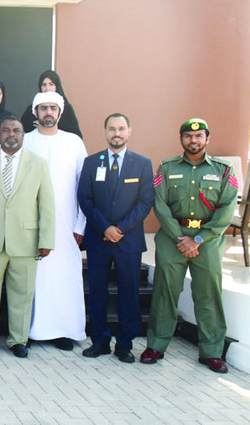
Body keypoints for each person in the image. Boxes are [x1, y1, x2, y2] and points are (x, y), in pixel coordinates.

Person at [141, 118, 238, 374]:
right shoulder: (166, 167)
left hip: (208, 240)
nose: (193, 141)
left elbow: (228, 209)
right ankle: (157, 345)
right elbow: (159, 205)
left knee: (208, 295)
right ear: (181, 139)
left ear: (207, 138)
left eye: (198, 136)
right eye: (188, 136)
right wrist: (180, 238)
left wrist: (197, 239)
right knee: (165, 293)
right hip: (173, 238)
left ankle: (211, 352)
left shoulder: (223, 170)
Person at [78, 113, 154, 363]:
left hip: (128, 241)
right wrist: (105, 228)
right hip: (99, 240)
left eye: (121, 128)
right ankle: (99, 341)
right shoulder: (91, 163)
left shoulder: (142, 164)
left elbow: (145, 202)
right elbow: (85, 199)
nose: (116, 133)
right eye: (112, 129)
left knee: (129, 293)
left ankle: (124, 344)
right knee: (98, 292)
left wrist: (120, 228)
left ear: (129, 131)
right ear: (105, 132)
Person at [0, 116, 54, 358]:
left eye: (16, 130)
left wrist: (46, 240)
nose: (11, 134)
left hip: (26, 239)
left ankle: (18, 340)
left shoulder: (39, 164)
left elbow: (47, 205)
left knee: (22, 294)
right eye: (6, 131)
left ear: (23, 134)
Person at [23, 91, 87, 351]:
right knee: (32, 278)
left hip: (66, 225)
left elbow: (85, 186)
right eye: (43, 108)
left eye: (52, 108)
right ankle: (29, 331)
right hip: (30, 224)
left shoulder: (74, 143)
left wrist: (80, 225)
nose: (48, 112)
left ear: (60, 112)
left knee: (63, 277)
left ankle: (63, 330)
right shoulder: (24, 140)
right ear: (35, 112)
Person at [20, 70, 82, 137]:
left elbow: (76, 136)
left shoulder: (66, 109)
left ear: (57, 86)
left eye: (51, 84)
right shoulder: (32, 109)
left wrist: (49, 126)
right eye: (44, 85)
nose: (47, 88)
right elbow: (22, 131)